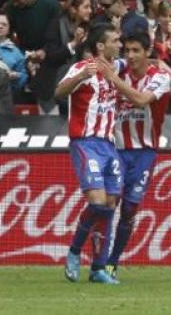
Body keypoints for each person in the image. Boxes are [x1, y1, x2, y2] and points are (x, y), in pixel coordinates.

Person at [97, 30, 171, 278]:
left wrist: (114, 80)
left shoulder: (159, 77)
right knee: (107, 204)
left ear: (147, 53)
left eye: (136, 50)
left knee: (129, 210)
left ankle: (112, 263)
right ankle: (98, 263)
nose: (130, 55)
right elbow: (100, 62)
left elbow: (140, 100)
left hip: (144, 153)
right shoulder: (118, 68)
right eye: (127, 50)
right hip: (115, 150)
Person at [56, 23, 125, 285]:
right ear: (100, 46)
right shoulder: (81, 68)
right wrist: (81, 76)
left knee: (108, 206)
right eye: (115, 41)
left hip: (109, 145)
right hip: (85, 143)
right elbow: (59, 92)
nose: (119, 45)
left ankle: (97, 268)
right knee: (97, 203)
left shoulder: (117, 67)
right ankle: (74, 252)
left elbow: (139, 62)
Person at [4, 0, 62, 114]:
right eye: (13, 1)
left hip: (49, 52)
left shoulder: (50, 4)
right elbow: (6, 32)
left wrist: (44, 51)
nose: (15, 4)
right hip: (24, 54)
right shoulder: (12, 7)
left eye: (17, 0)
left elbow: (59, 35)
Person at [41, 0, 94, 115]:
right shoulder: (55, 25)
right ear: (73, 9)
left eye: (90, 7)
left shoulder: (89, 29)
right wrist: (74, 43)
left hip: (76, 87)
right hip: (51, 87)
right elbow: (53, 56)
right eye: (86, 7)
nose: (90, 11)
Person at [0, 11, 28, 96]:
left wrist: (16, 76)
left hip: (3, 95)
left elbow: (23, 75)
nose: (0, 26)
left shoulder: (15, 52)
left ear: (9, 30)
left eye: (4, 24)